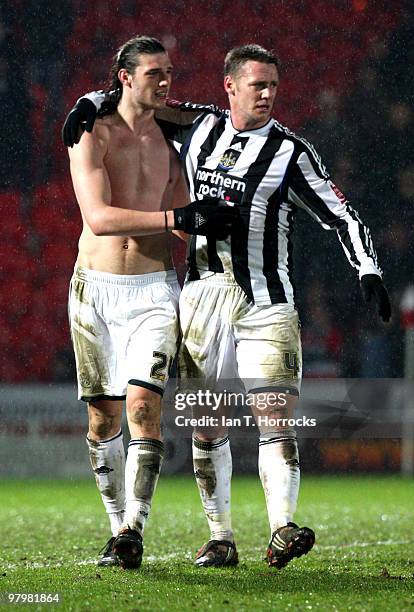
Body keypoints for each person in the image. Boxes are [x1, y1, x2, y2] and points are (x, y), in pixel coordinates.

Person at [63, 44, 391, 570]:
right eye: (257, 85)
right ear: (230, 87)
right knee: (206, 421)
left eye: (274, 87)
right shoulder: (199, 130)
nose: (267, 95)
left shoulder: (292, 153)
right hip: (201, 298)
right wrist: (88, 98)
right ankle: (221, 538)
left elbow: (342, 214)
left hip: (266, 300)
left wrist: (368, 268)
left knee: (272, 414)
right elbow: (138, 99)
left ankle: (283, 527)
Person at [65, 35, 238, 570]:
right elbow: (99, 218)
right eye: (154, 74)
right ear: (124, 77)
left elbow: (222, 120)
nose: (165, 83)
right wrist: (179, 219)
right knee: (102, 420)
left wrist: (233, 253)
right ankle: (116, 523)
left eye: (170, 73)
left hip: (154, 290)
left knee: (144, 408)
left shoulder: (177, 136)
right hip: (94, 289)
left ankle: (132, 531)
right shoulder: (89, 129)